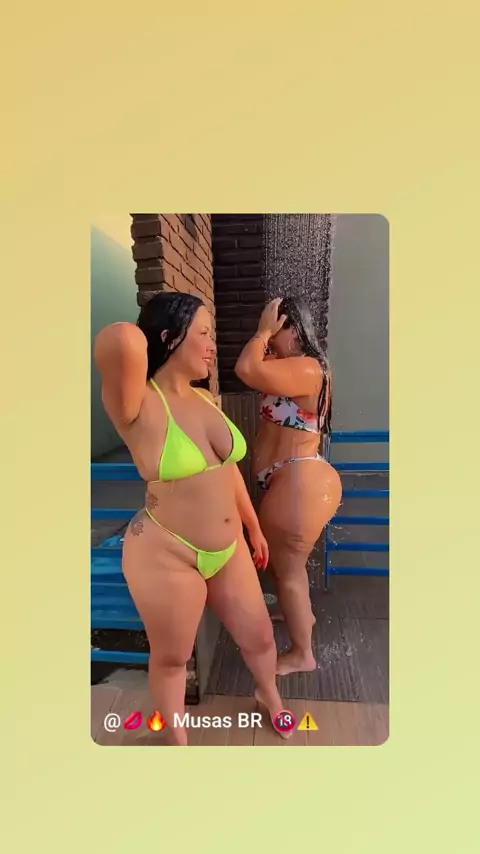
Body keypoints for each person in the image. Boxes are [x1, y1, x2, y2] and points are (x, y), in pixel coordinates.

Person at [94, 292, 289, 744]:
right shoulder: (137, 404)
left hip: (228, 549)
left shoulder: (205, 399)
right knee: (172, 658)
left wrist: (253, 526)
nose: (212, 345)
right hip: (166, 551)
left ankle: (269, 695)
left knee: (260, 637)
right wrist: (149, 333)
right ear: (169, 337)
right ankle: (177, 739)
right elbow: (121, 340)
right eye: (203, 333)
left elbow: (227, 471)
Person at [235, 297, 342, 676]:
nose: (268, 337)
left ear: (292, 330)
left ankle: (302, 654)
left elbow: (246, 368)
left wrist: (261, 332)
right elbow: (258, 366)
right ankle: (301, 616)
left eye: (275, 328)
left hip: (301, 477)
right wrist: (268, 338)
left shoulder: (308, 367)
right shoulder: (292, 366)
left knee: (289, 570)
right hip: (291, 477)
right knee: (285, 568)